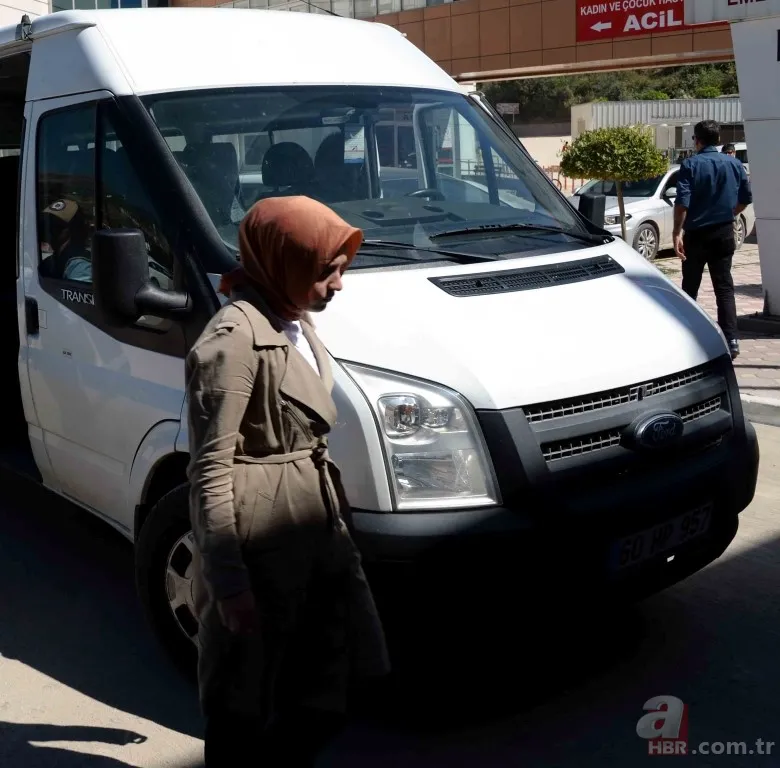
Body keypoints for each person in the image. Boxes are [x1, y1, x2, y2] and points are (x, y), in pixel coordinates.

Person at [186, 196, 390, 767]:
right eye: (327, 270)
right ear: (283, 261)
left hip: (312, 526)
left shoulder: (292, 318)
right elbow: (210, 468)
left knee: (331, 686)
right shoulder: (233, 339)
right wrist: (229, 583)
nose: (339, 284)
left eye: (341, 269)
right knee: (244, 704)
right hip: (261, 537)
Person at [673, 120, 752, 360]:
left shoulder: (690, 164)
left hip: (696, 235)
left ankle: (689, 335)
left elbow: (682, 203)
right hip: (723, 232)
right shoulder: (734, 164)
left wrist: (676, 232)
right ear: (718, 140)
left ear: (696, 140)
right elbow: (746, 198)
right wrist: (730, 213)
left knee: (690, 287)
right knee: (724, 287)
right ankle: (732, 339)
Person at [41, 199, 92, 282]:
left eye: (57, 226)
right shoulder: (52, 261)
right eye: (48, 223)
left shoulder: (79, 265)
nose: (50, 230)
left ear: (73, 229)